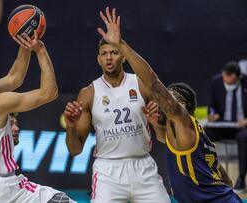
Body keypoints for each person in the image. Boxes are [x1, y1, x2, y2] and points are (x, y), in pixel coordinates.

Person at [92, 7, 242, 203]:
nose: (165, 101)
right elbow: (226, 180)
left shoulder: (181, 118)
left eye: (172, 98)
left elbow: (153, 82)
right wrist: (156, 125)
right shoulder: (189, 134)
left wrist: (121, 45)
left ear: (183, 106)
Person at [0, 31, 75, 202]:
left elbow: (15, 78)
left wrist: (26, 44)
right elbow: (49, 93)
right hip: (1, 189)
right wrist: (40, 50)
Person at [63, 8, 169, 203]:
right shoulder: (88, 93)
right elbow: (75, 149)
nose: (109, 57)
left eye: (114, 52)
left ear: (124, 56)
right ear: (98, 59)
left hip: (143, 166)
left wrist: (157, 124)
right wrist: (70, 127)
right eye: (104, 54)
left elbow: (163, 138)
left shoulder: (141, 84)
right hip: (108, 172)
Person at [207, 61, 247, 193]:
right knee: (203, 134)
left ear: (238, 77)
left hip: (242, 127)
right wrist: (212, 114)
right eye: (226, 77)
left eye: (232, 79)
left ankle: (241, 178)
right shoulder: (216, 81)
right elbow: (212, 105)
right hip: (222, 125)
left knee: (244, 137)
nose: (227, 81)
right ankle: (207, 175)